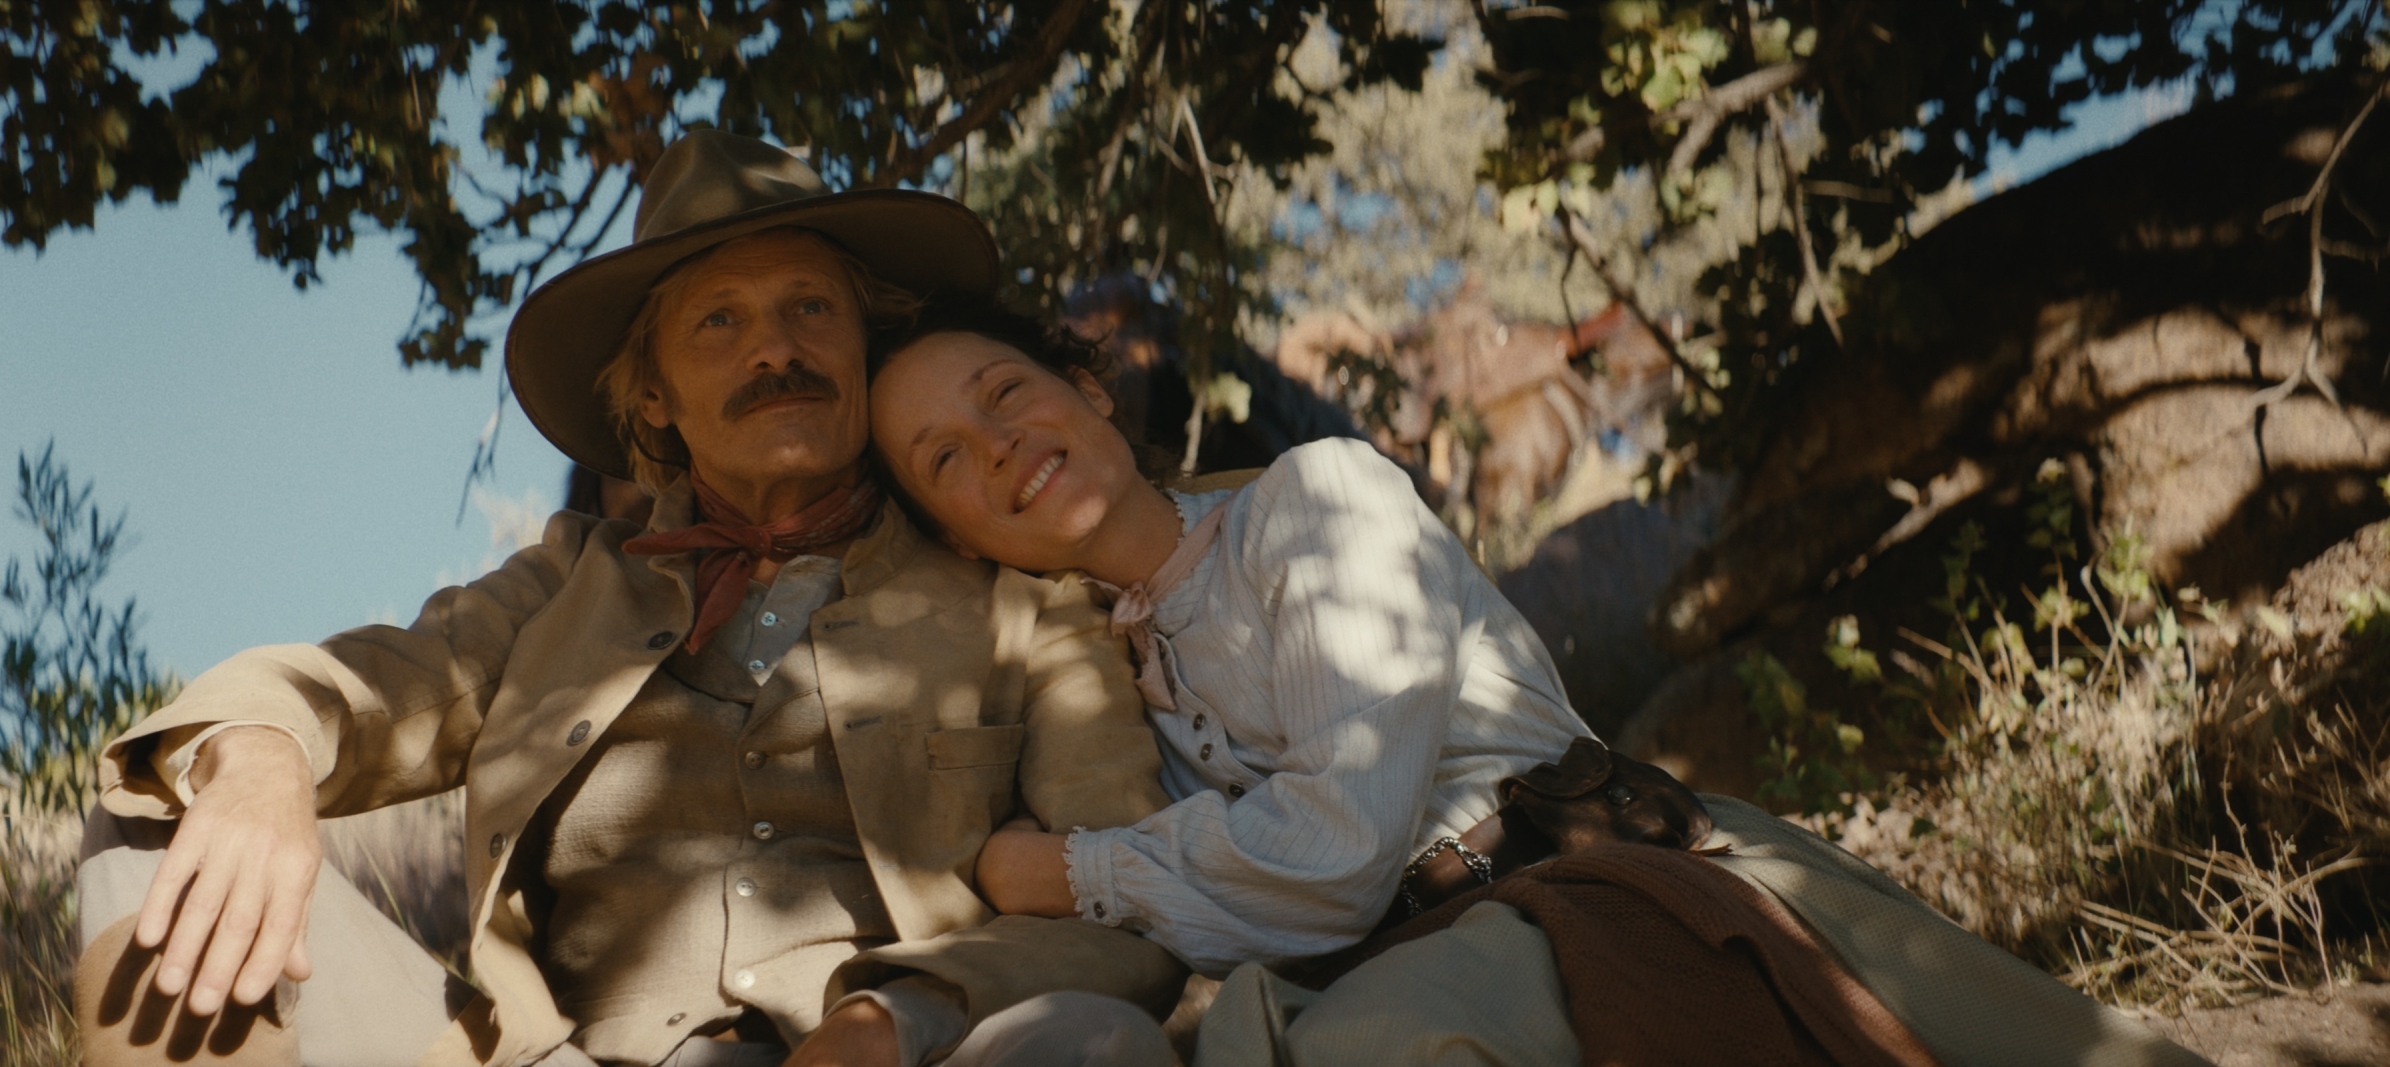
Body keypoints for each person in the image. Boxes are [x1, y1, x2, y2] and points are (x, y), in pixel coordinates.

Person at [73, 131, 1189, 1067]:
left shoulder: (1023, 605)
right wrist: (262, 751)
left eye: (811, 306)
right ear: (653, 395)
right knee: (157, 826)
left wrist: (898, 1018)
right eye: (720, 322)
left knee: (1091, 1040)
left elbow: (1129, 908)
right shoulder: (566, 584)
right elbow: (360, 688)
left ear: (864, 344)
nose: (777, 349)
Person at [862, 300, 2213, 1067]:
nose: (997, 443)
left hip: (1574, 876)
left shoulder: (1313, 501)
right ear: (957, 536)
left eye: (1004, 391)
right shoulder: (1108, 678)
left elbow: (1333, 847)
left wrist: (1073, 868)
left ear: (1092, 390)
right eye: (943, 458)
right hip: (1391, 962)